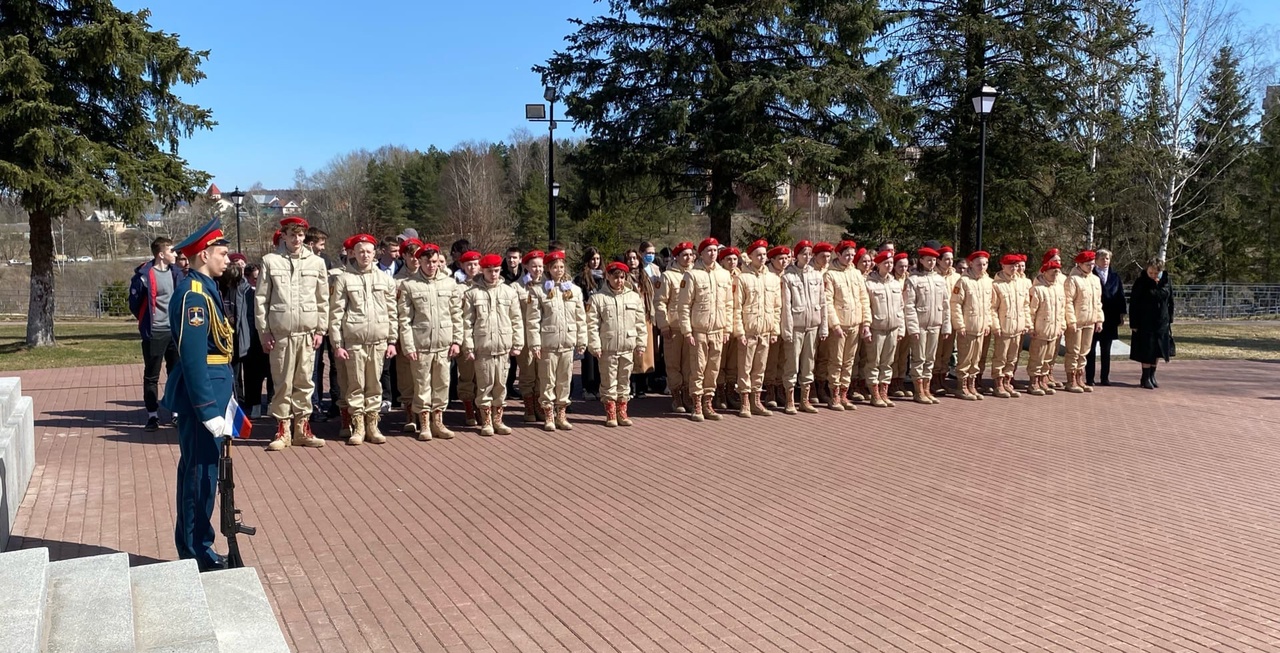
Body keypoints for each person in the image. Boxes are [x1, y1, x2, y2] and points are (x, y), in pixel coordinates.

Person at [160, 217, 234, 572]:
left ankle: (198, 545)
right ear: (204, 254)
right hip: (201, 400)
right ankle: (195, 552)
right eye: (222, 253)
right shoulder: (193, 296)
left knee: (203, 472)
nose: (227, 259)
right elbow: (192, 358)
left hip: (214, 393)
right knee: (199, 476)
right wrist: (207, 409)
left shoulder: (205, 289)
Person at [254, 216, 328, 450]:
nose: (297, 239)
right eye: (292, 235)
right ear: (283, 236)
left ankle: (302, 429)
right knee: (282, 382)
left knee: (305, 382)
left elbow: (322, 299)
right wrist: (264, 331)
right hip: (281, 333)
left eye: (301, 235)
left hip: (307, 332)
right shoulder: (270, 261)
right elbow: (261, 299)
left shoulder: (316, 263)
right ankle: (283, 431)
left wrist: (321, 329)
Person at [330, 234, 400, 445]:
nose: (365, 255)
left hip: (378, 340)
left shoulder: (385, 280)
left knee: (374, 385)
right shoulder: (344, 279)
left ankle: (372, 425)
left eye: (369, 251)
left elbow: (392, 312)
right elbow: (336, 313)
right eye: (361, 252)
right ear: (353, 253)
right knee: (356, 385)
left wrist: (392, 341)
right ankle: (358, 426)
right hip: (354, 341)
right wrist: (337, 344)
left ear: (375, 253)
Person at [398, 243, 462, 440]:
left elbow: (456, 314)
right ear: (420, 261)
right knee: (422, 385)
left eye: (434, 261)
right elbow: (404, 319)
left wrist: (457, 340)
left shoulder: (449, 283)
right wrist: (408, 346)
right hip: (421, 345)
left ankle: (438, 423)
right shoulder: (409, 285)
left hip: (443, 344)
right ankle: (424, 424)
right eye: (427, 262)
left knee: (442, 384)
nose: (431, 265)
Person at [462, 254, 524, 436]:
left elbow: (516, 320)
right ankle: (486, 421)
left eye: (496, 271)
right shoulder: (473, 293)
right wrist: (468, 347)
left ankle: (498, 420)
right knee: (485, 385)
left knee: (501, 385)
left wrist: (517, 343)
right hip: (483, 347)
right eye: (490, 271)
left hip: (503, 346)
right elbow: (467, 323)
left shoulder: (509, 292)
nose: (493, 274)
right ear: (483, 270)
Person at [526, 250, 586, 431]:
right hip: (548, 343)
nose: (558, 270)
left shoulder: (574, 290)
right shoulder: (539, 290)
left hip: (567, 342)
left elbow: (580, 318)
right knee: (547, 380)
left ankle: (562, 414)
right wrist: (535, 344)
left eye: (561, 267)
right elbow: (533, 320)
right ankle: (548, 415)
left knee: (564, 380)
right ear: (548, 269)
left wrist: (582, 340)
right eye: (554, 267)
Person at [676, 238, 734, 422]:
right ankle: (697, 404)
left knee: (713, 369)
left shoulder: (724, 275)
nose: (712, 253)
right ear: (700, 254)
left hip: (718, 329)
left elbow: (729, 304)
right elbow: (684, 305)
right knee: (698, 368)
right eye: (708, 250)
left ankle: (708, 402)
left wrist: (727, 329)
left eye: (715, 250)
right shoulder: (692, 275)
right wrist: (687, 331)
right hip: (699, 330)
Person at [129, 236, 184, 431]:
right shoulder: (144, 276)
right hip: (155, 333)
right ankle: (152, 415)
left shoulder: (177, 273)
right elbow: (134, 304)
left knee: (175, 374)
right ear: (161, 254)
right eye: (171, 251)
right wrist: (147, 322)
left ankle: (176, 413)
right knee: (151, 375)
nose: (175, 254)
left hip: (174, 331)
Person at [587, 261, 648, 427]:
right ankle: (611, 412)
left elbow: (640, 323)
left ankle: (622, 411)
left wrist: (641, 344)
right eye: (615, 277)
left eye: (622, 277)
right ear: (607, 276)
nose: (619, 281)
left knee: (624, 380)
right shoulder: (598, 298)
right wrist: (595, 345)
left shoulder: (634, 297)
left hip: (627, 346)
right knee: (608, 381)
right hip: (608, 347)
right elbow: (592, 325)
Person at [732, 240, 782, 417]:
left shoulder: (773, 279)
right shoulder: (742, 278)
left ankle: (756, 400)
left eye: (764, 254)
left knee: (760, 367)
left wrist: (774, 330)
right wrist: (739, 332)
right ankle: (745, 402)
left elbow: (776, 307)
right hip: (749, 331)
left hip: (765, 330)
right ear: (750, 256)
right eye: (758, 255)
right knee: (745, 368)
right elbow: (736, 308)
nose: (762, 258)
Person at [822, 241, 871, 411]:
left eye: (852, 255)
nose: (850, 258)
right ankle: (834, 394)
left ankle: (844, 393)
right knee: (836, 361)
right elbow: (827, 302)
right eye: (846, 255)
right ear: (838, 255)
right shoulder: (830, 275)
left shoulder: (856, 274)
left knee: (849, 362)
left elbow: (864, 299)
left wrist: (866, 323)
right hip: (839, 326)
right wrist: (835, 325)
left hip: (855, 324)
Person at [781, 240, 827, 414]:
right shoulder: (788, 276)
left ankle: (805, 400)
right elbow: (786, 306)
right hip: (796, 326)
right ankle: (790, 400)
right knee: (792, 364)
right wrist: (787, 330)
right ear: (796, 255)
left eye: (809, 254)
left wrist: (823, 327)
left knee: (809, 364)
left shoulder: (816, 275)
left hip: (812, 326)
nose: (807, 257)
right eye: (803, 254)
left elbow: (823, 303)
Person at [904, 247, 948, 404]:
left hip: (935, 324)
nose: (932, 263)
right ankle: (918, 391)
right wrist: (913, 328)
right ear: (921, 260)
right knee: (919, 358)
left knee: (930, 358)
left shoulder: (940, 280)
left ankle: (927, 389)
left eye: (934, 260)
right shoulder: (913, 280)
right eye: (929, 260)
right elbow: (909, 306)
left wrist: (946, 326)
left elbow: (945, 305)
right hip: (920, 325)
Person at [655, 241, 696, 414]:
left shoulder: (697, 274)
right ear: (676, 257)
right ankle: (676, 396)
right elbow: (660, 302)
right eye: (684, 255)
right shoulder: (668, 276)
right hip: (673, 327)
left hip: (692, 327)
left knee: (689, 364)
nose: (688, 258)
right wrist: (664, 325)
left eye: (690, 255)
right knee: (673, 364)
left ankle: (687, 394)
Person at [950, 251, 995, 401]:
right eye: (979, 264)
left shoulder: (988, 282)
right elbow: (955, 304)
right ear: (971, 264)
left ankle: (971, 385)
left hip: (981, 327)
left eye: (985, 264)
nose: (982, 267)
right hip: (968, 326)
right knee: (965, 358)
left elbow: (989, 306)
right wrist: (960, 325)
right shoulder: (963, 281)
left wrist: (988, 323)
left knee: (976, 359)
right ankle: (961, 386)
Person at [863, 250, 905, 407]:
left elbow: (900, 308)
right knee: (873, 362)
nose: (889, 266)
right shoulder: (869, 284)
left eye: (891, 263)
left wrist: (901, 328)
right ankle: (874, 393)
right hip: (877, 328)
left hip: (892, 328)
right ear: (878, 264)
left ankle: (884, 392)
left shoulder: (895, 283)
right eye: (886, 263)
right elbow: (866, 307)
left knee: (887, 362)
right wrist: (867, 327)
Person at [392, 238, 425, 432]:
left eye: (418, 255)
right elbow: (392, 311)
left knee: (424, 377)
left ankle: (425, 414)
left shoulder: (430, 276)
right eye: (411, 255)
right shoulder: (397, 281)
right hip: (404, 334)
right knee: (406, 377)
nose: (415, 259)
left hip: (425, 335)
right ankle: (410, 415)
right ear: (403, 256)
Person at [1129, 258, 1175, 389]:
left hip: (1162, 322)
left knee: (1158, 349)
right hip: (1145, 321)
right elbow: (1134, 303)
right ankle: (1145, 377)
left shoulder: (1166, 281)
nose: (1153, 275)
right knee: (1147, 349)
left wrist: (1170, 319)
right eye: (1151, 273)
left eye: (1156, 273)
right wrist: (1134, 323)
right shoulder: (1141, 282)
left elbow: (1170, 301)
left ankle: (1152, 375)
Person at [990, 254, 1031, 398]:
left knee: (1012, 357)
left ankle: (1007, 381)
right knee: (1000, 357)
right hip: (1004, 327)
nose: (1014, 268)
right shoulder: (996, 285)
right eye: (1010, 266)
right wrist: (996, 326)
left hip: (1018, 327)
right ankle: (998, 383)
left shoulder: (1020, 283)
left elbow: (1025, 305)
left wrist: (1027, 323)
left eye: (1015, 265)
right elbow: (992, 308)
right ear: (1003, 266)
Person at [1063, 250, 1103, 393]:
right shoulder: (1073, 279)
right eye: (1087, 264)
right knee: (1073, 351)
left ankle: (1080, 378)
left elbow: (1098, 302)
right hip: (1077, 321)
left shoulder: (1095, 279)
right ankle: (1071, 380)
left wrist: (1099, 319)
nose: (1091, 267)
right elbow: (1068, 302)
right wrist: (1071, 321)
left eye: (1092, 264)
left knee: (1084, 352)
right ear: (1079, 264)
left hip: (1090, 321)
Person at [514, 250, 546, 421]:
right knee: (527, 373)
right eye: (534, 266)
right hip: (525, 337)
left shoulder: (549, 286)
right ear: (525, 266)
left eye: (540, 266)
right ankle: (529, 408)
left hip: (544, 336)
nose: (537, 270)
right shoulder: (516, 287)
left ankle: (540, 406)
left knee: (542, 373)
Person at [1087, 248, 1126, 386]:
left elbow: (1120, 295)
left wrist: (1122, 314)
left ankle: (1104, 378)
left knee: (1106, 349)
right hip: (1094, 316)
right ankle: (1089, 378)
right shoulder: (1090, 275)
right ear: (1096, 260)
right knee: (1090, 349)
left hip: (1110, 318)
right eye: (1102, 258)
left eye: (1107, 258)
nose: (1105, 261)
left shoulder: (1115, 276)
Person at [1027, 260, 1066, 396]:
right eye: (1052, 274)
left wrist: (1062, 326)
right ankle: (1034, 382)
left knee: (1048, 358)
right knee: (1037, 357)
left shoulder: (1059, 289)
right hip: (1040, 330)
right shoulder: (1037, 289)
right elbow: (1031, 311)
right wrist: (1031, 327)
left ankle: (1043, 380)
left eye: (1057, 274)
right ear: (1044, 273)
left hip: (1054, 330)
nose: (1055, 276)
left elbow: (1062, 310)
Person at [625, 248, 658, 399]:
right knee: (632, 353)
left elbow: (651, 296)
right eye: (629, 258)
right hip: (630, 319)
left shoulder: (645, 277)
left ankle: (642, 387)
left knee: (644, 354)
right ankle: (630, 386)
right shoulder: (624, 278)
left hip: (646, 318)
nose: (632, 261)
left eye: (634, 258)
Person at [454, 251, 482, 424]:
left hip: (482, 336)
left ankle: (481, 407)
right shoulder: (457, 287)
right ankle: (468, 408)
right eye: (469, 265)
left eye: (475, 264)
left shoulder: (484, 284)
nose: (472, 267)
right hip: (465, 335)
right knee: (466, 374)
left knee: (482, 376)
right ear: (462, 266)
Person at [574, 247, 605, 400]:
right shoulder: (580, 279)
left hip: (602, 320)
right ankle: (588, 387)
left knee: (600, 354)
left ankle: (599, 386)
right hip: (587, 319)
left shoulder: (605, 277)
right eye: (592, 259)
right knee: (588, 357)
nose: (595, 262)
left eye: (598, 259)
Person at [714, 246, 741, 412]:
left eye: (735, 259)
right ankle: (720, 393)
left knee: (733, 362)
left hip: (737, 322)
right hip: (722, 322)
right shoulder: (718, 275)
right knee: (720, 360)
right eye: (728, 259)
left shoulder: (741, 276)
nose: (732, 262)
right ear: (722, 261)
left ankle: (731, 391)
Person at [930, 246, 960, 397]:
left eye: (951, 259)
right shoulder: (933, 276)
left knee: (947, 352)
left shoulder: (956, 277)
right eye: (946, 259)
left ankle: (943, 380)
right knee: (936, 352)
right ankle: (934, 381)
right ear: (939, 260)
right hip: (937, 318)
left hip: (951, 319)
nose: (950, 262)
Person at [888, 252, 912, 398]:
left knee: (904, 355)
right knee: (894, 355)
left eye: (906, 266)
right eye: (900, 266)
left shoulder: (910, 279)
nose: (903, 269)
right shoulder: (891, 280)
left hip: (907, 320)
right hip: (895, 320)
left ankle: (900, 381)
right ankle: (891, 382)